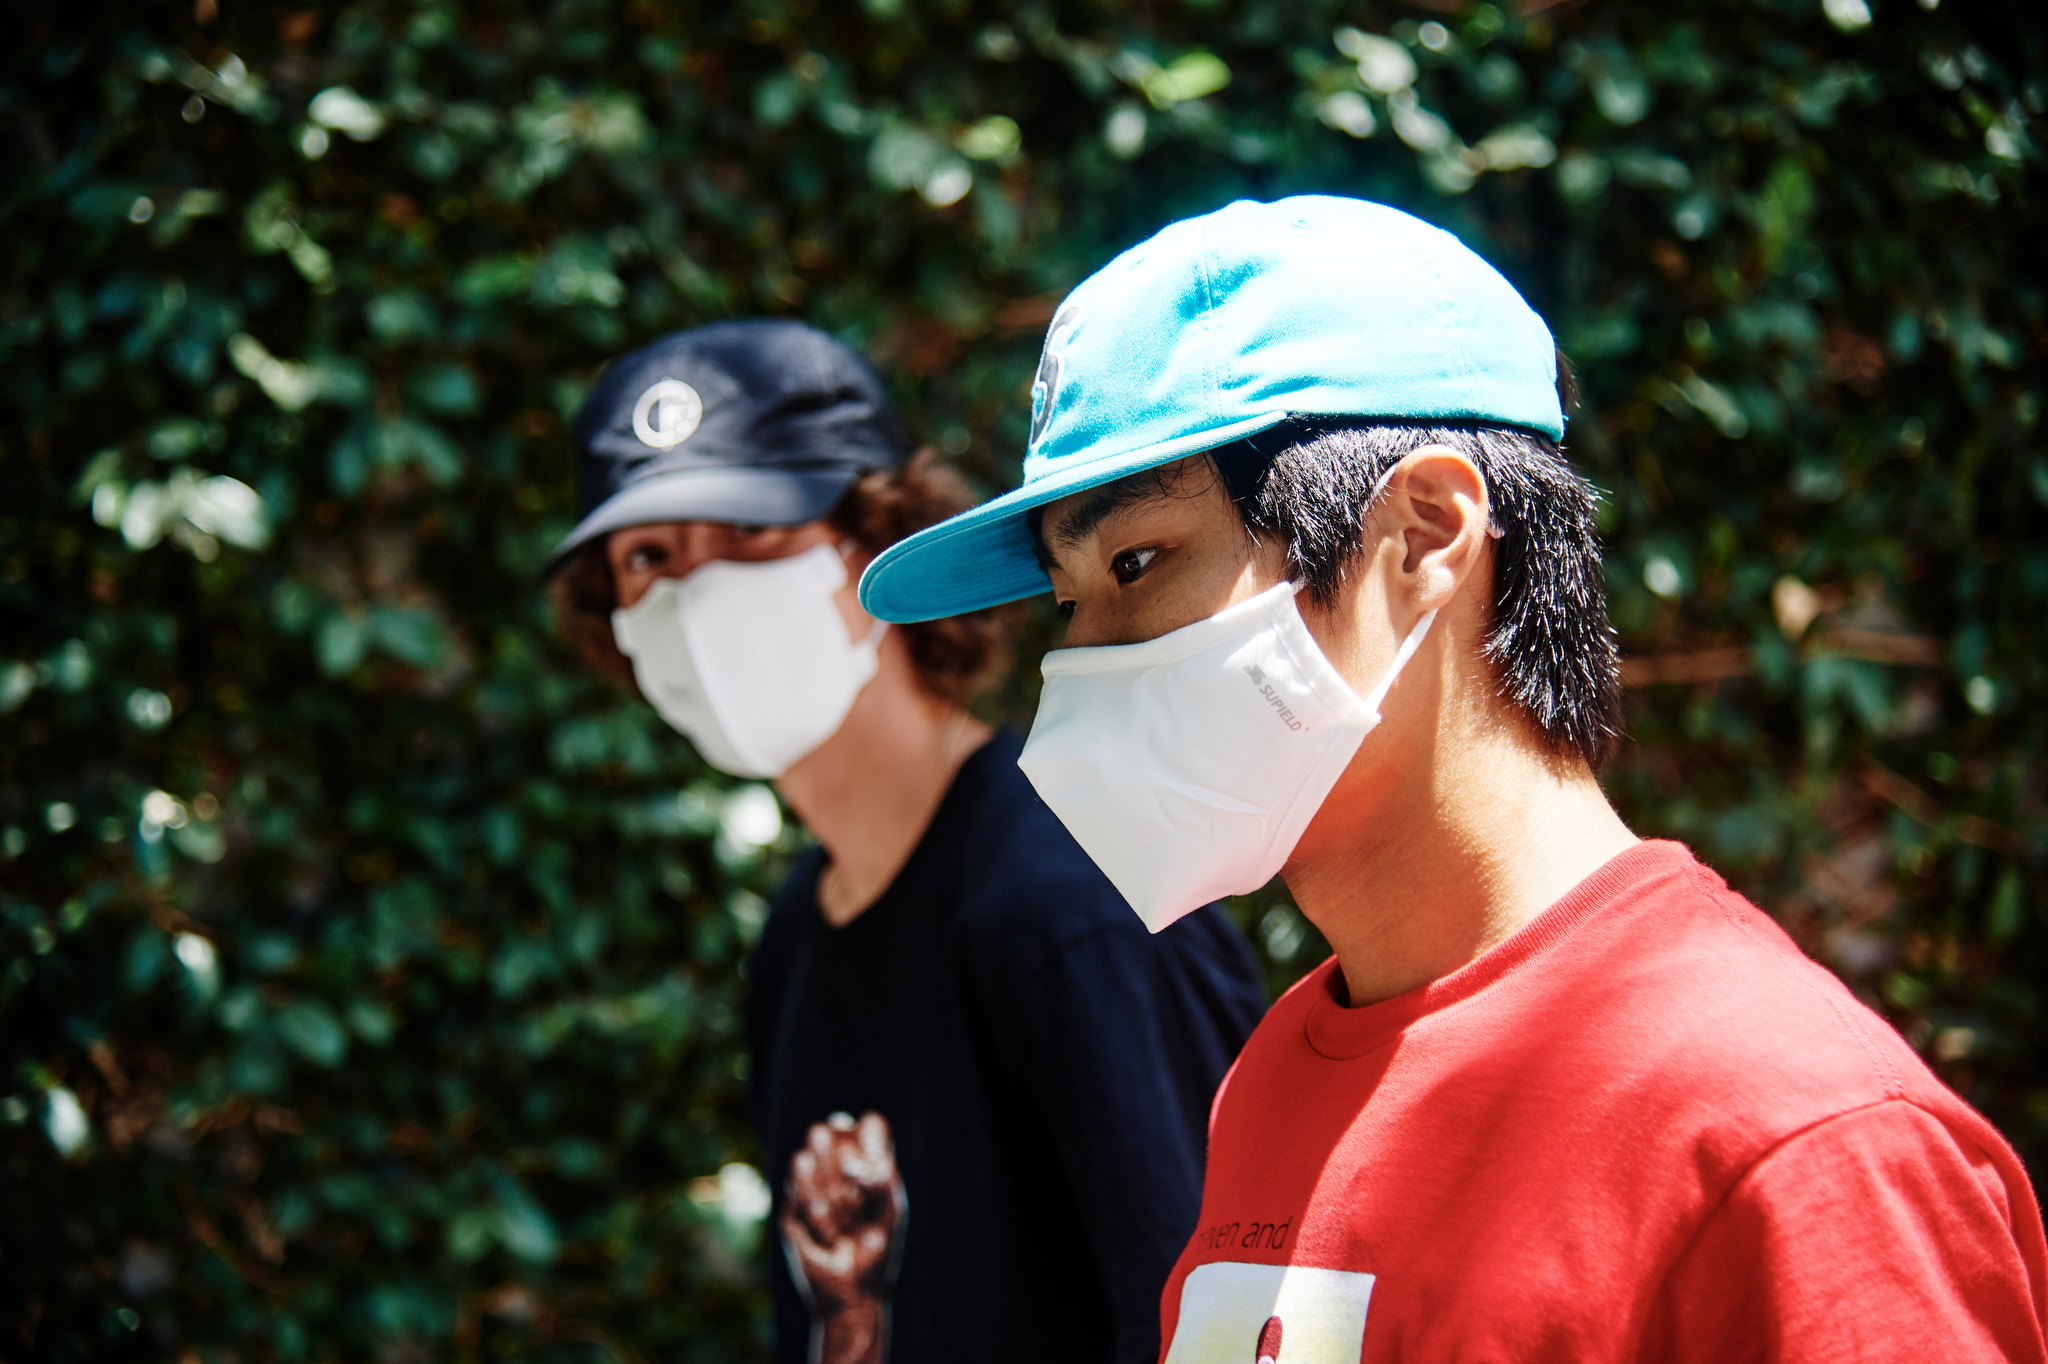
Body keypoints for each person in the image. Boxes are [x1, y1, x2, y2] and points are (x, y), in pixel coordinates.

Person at [856, 198, 2048, 1360]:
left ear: (1424, 532)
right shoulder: (1272, 1075)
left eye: (1135, 561)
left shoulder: (1790, 1140)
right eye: (1068, 602)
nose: (1084, 662)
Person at [542, 319, 1266, 1364]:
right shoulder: (799, 931)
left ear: (875, 542)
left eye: (748, 529)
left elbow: (1206, 1315)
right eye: (648, 557)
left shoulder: (1072, 896)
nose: (695, 595)